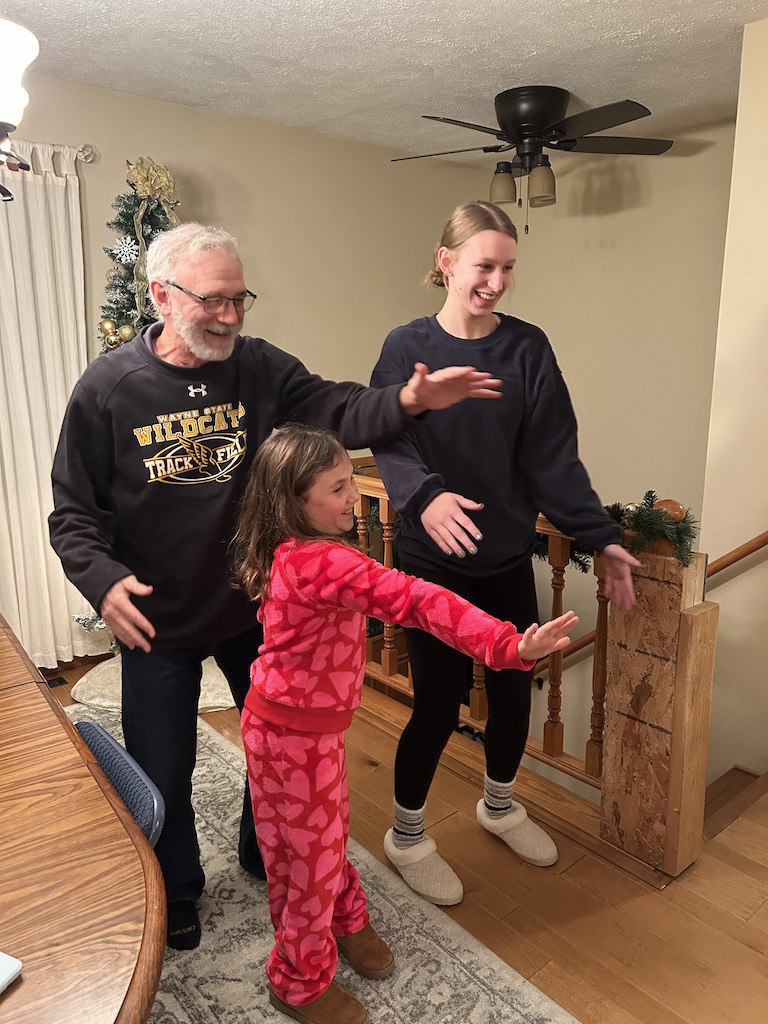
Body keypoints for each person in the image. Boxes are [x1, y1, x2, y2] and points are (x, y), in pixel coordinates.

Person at [48, 222, 508, 950]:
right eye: (214, 302)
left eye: (240, 300)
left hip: (255, 606)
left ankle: (269, 853)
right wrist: (102, 583)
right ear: (162, 295)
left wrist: (410, 401)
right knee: (161, 772)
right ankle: (177, 890)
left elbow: (339, 408)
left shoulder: (258, 367)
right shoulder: (108, 389)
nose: (231, 317)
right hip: (157, 619)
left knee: (280, 754)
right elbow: (73, 511)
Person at [233, 423, 578, 1024]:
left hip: (299, 729)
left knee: (320, 839)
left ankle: (344, 920)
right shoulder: (321, 563)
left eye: (350, 482)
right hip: (290, 736)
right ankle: (298, 981)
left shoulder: (298, 548)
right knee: (302, 861)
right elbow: (416, 599)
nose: (352, 496)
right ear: (294, 501)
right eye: (338, 488)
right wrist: (504, 644)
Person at [369, 200, 640, 906]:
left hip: (506, 557)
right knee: (436, 704)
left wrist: (601, 536)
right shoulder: (406, 346)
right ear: (446, 262)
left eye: (508, 268)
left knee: (517, 690)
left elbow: (552, 455)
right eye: (483, 265)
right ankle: (406, 836)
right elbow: (388, 435)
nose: (496, 280)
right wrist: (424, 495)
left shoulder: (528, 348)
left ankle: (498, 806)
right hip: (432, 564)